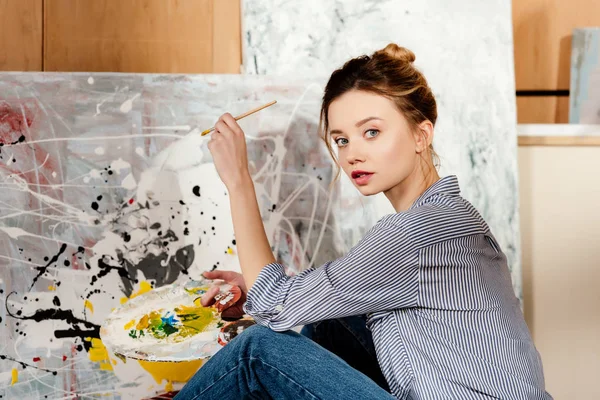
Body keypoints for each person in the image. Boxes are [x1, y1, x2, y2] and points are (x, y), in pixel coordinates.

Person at [175, 44, 552, 399]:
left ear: (421, 134)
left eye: (371, 132)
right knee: (334, 321)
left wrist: (239, 180)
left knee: (256, 352)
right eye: (341, 140)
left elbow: (275, 303)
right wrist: (258, 294)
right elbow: (299, 297)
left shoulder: (414, 233)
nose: (353, 153)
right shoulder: (449, 216)